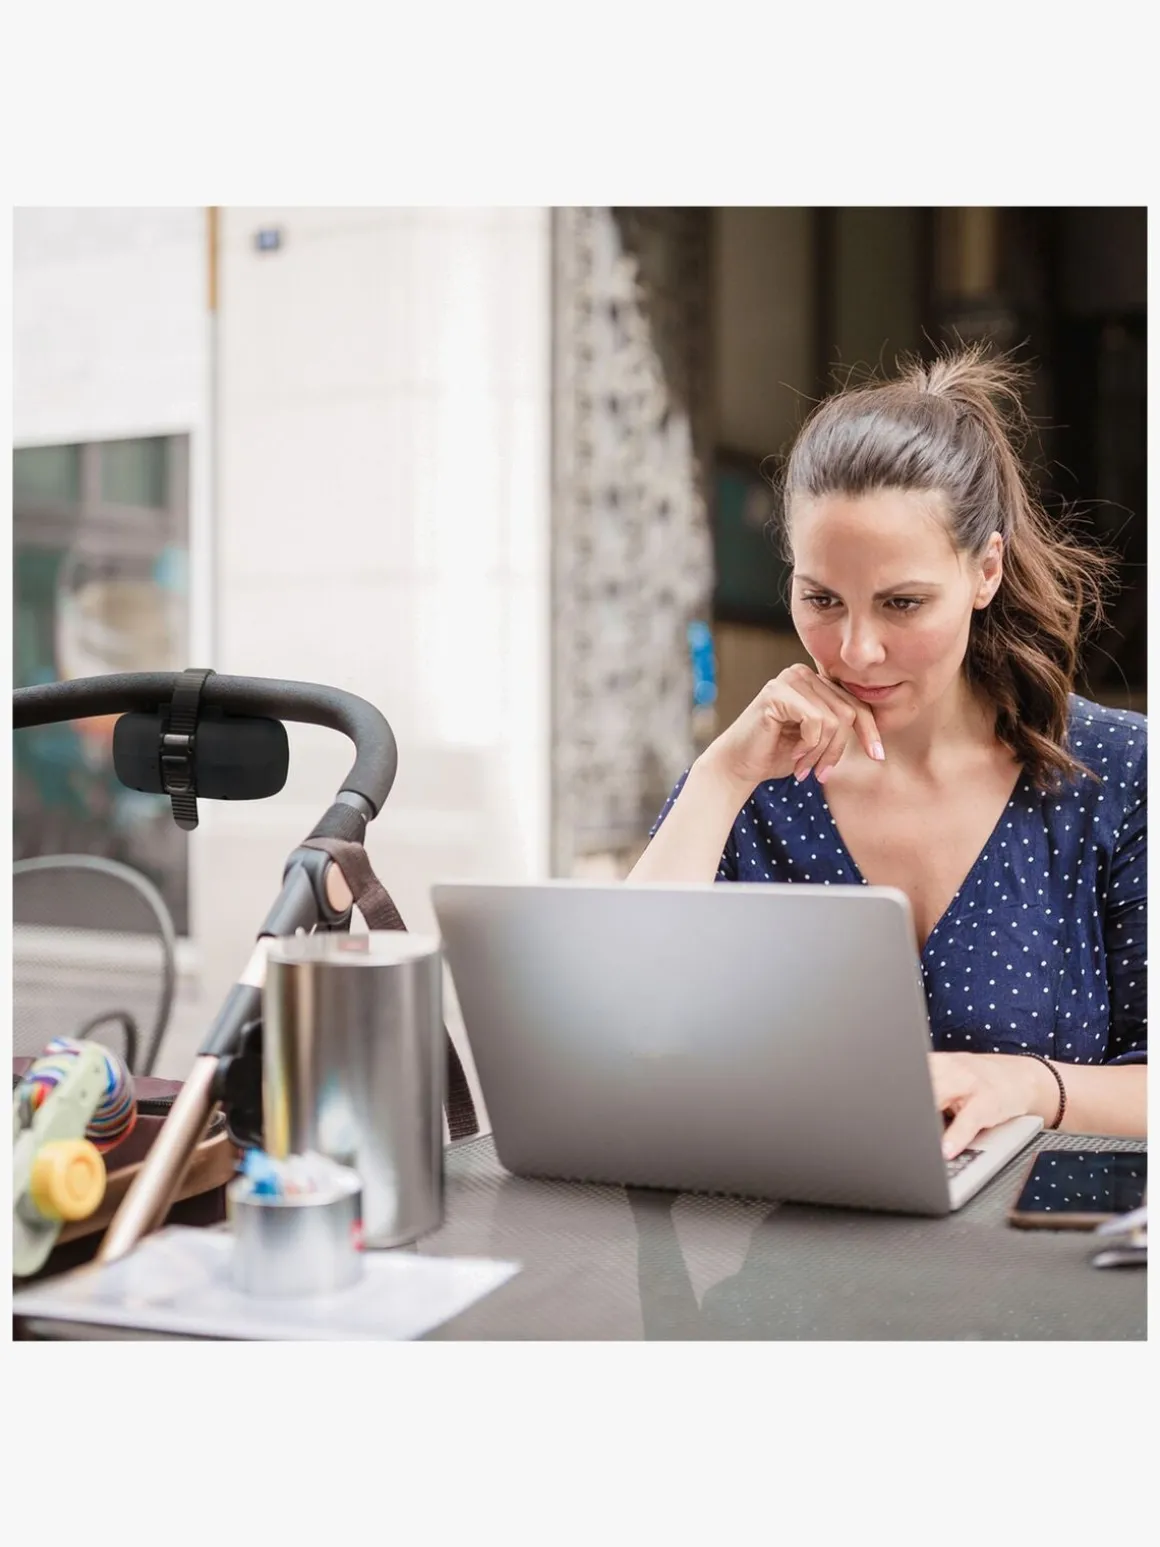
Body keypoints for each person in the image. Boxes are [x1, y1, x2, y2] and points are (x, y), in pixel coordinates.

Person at [631, 347, 1146, 1158]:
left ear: (986, 570)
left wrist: (1032, 1087)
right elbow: (626, 1032)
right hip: (790, 1228)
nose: (857, 650)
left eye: (903, 603)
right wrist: (721, 776)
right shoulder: (752, 786)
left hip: (1039, 1232)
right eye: (822, 599)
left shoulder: (1119, 772)